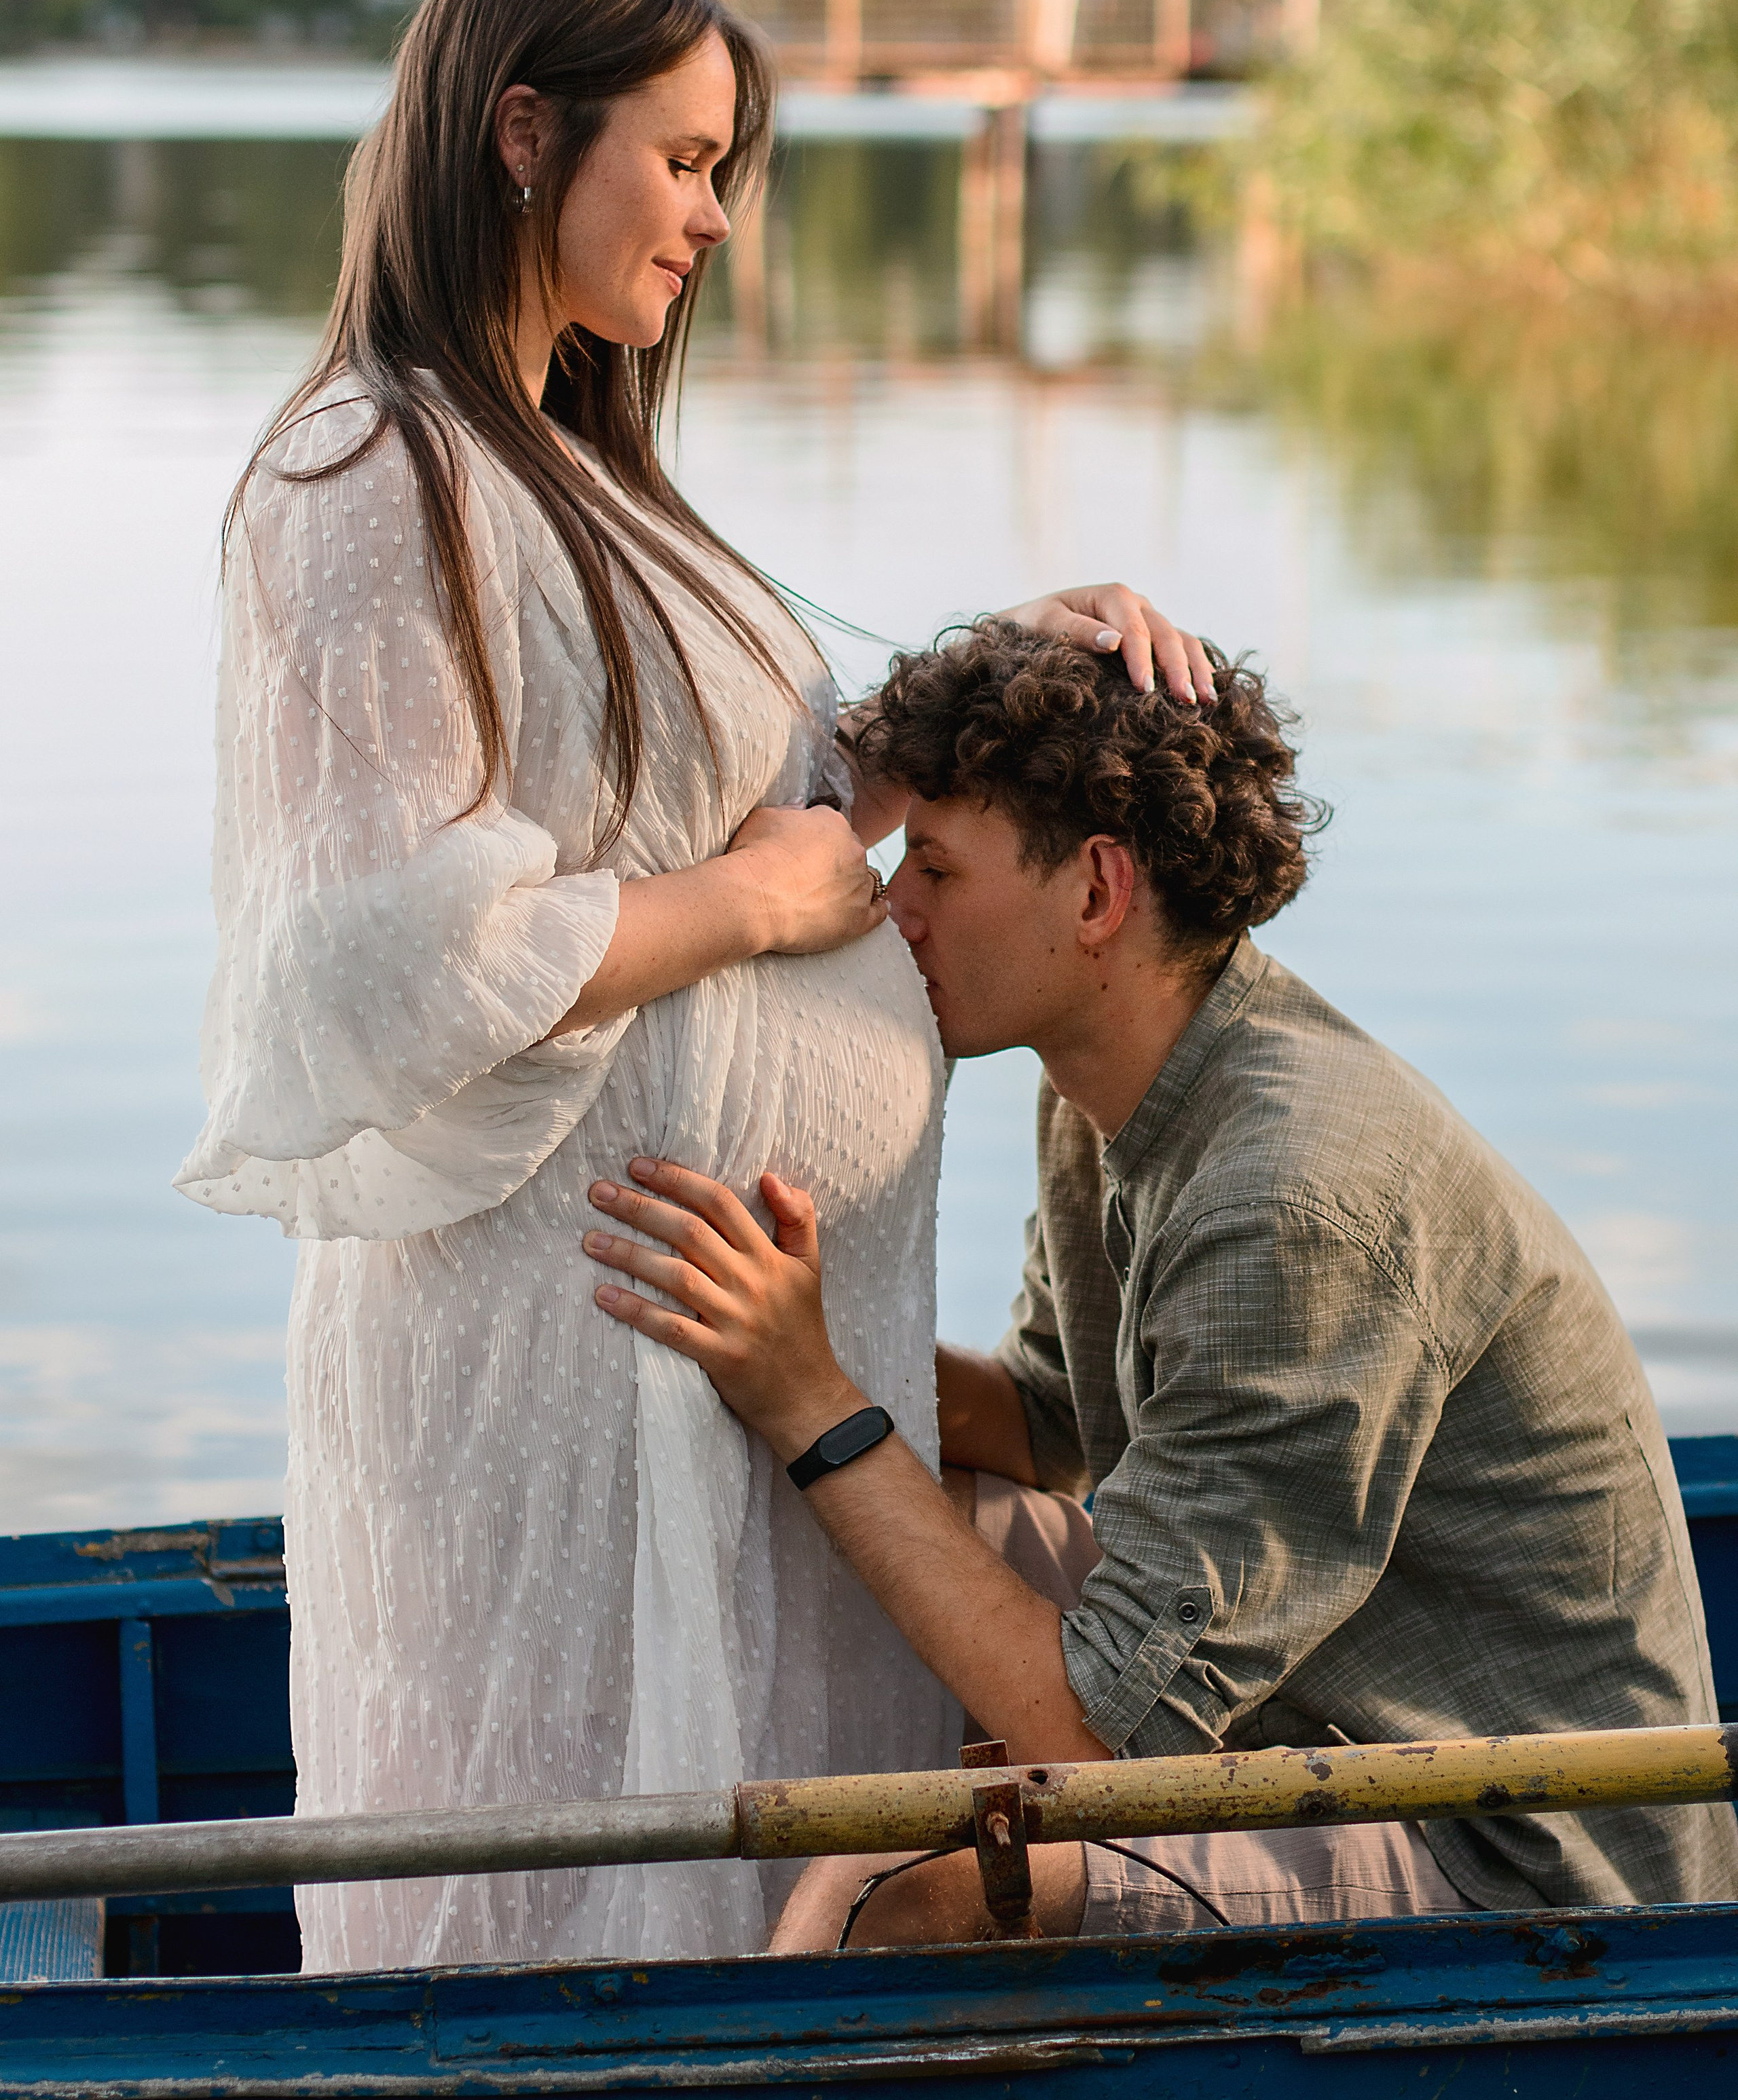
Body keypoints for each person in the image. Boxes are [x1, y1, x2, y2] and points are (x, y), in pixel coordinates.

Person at [174, 0, 1213, 1970]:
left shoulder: (567, 455)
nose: (718, 219)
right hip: (556, 1363)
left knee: (756, 1849)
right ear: (520, 133)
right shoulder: (364, 469)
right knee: (572, 1888)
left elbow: (794, 778)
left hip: (706, 1354)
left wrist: (1016, 651)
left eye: (730, 169)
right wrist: (748, 909)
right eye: (686, 159)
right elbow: (376, 961)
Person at [581, 619, 1738, 1948]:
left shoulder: (1291, 1193)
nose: (893, 906)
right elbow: (1054, 1426)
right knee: (869, 1525)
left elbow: (1098, 1739)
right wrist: (786, 1327)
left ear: (1093, 895)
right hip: (1312, 1710)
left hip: (1514, 1858)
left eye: (939, 870)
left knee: (885, 1899)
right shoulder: (1115, 1088)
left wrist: (812, 1403)